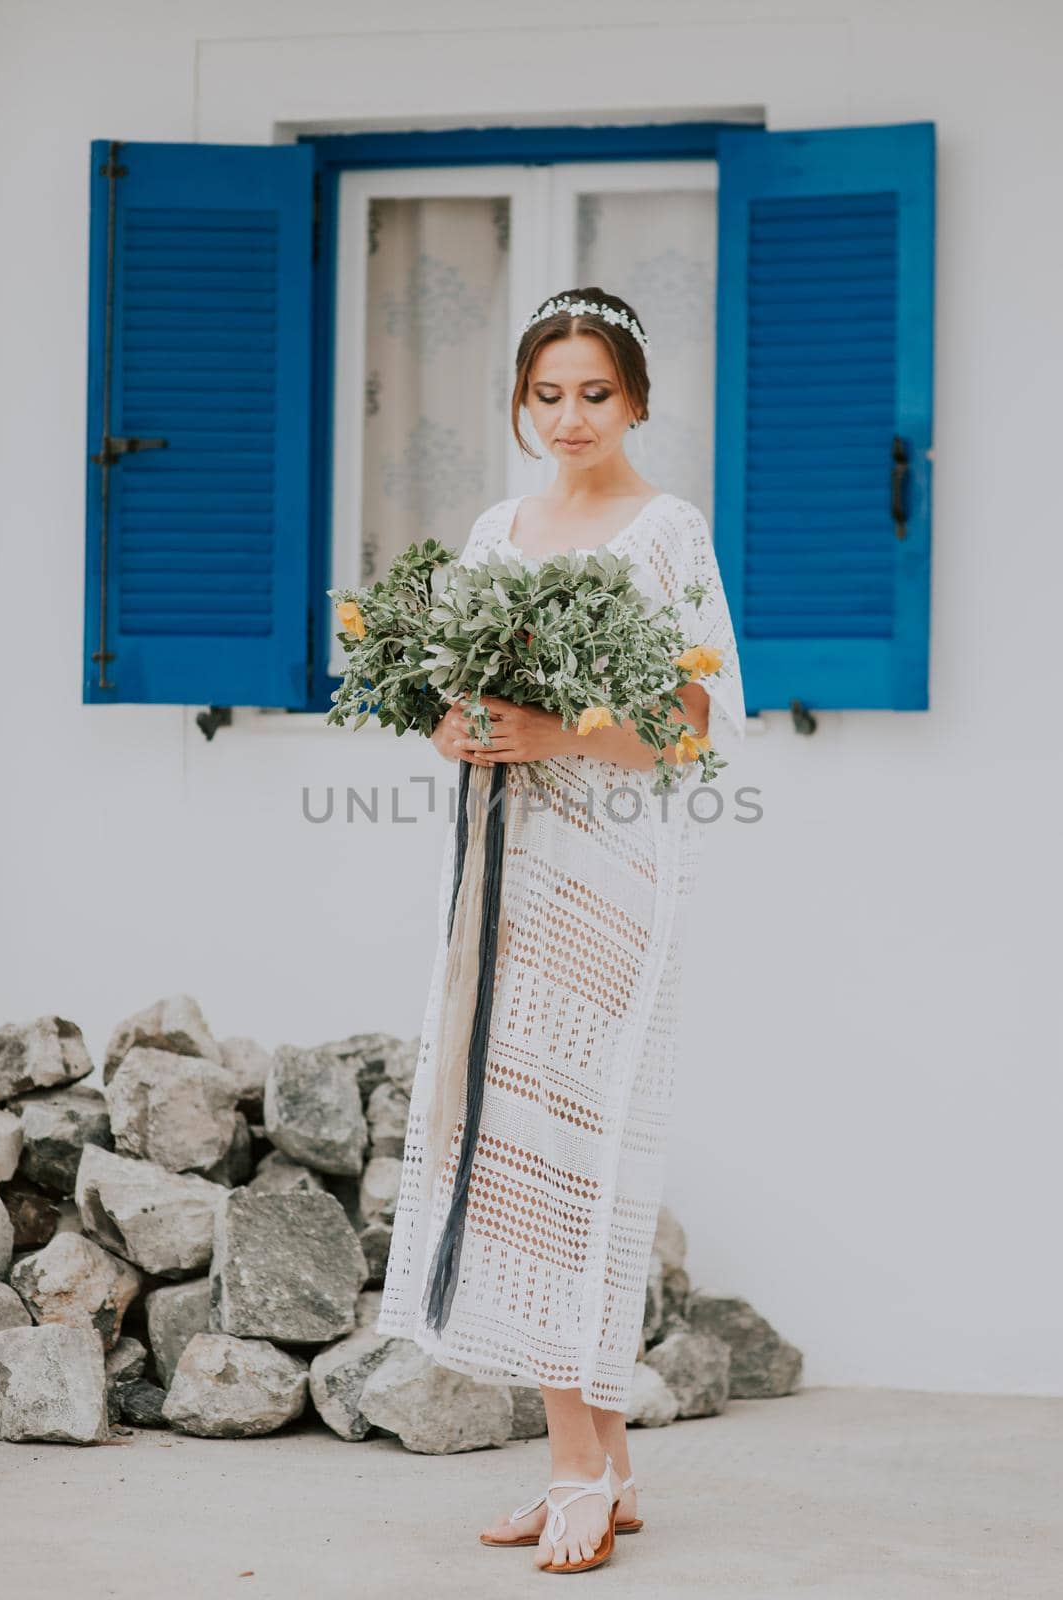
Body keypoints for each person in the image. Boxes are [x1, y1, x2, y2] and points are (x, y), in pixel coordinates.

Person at [373, 289, 745, 1573]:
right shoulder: (497, 529)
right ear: (521, 406)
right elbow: (438, 701)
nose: (572, 415)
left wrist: (559, 732)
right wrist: (461, 726)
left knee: (575, 1159)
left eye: (595, 391)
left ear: (635, 397)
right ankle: (596, 1466)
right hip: (498, 874)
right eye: (548, 394)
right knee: (509, 1154)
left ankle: (582, 1468)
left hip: (609, 881)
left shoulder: (667, 532)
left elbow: (696, 723)